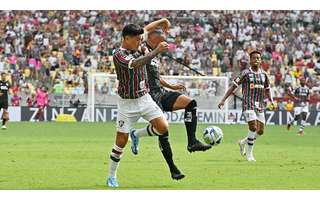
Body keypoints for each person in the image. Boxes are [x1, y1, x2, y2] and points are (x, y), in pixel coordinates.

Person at [129, 28, 212, 179]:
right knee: (163, 131)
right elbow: (145, 29)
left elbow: (156, 77)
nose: (165, 43)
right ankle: (173, 169)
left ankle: (192, 142)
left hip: (161, 92)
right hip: (149, 96)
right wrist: (162, 23)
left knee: (190, 103)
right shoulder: (142, 49)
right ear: (153, 39)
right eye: (162, 39)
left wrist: (172, 87)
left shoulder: (156, 55)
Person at [106, 19, 172, 188]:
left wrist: (162, 22)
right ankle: (111, 176)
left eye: (140, 39)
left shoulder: (137, 41)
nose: (140, 42)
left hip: (144, 98)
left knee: (163, 127)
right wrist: (156, 50)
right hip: (127, 104)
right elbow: (136, 64)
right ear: (126, 39)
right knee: (120, 142)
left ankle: (137, 135)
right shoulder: (119, 55)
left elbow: (146, 29)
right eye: (136, 40)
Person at [218, 50, 275, 162]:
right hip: (248, 104)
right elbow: (233, 87)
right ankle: (249, 155)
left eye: (258, 58)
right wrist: (223, 100)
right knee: (253, 127)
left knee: (260, 131)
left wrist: (271, 101)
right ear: (250, 60)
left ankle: (243, 142)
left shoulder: (264, 75)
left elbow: (267, 90)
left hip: (260, 105)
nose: (256, 60)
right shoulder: (245, 73)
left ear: (261, 60)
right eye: (254, 58)